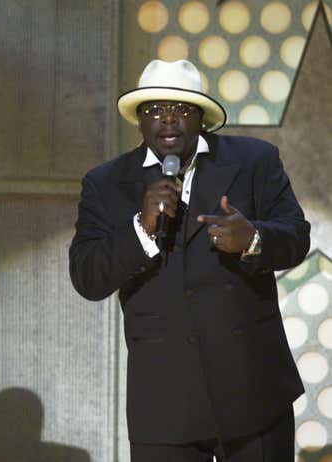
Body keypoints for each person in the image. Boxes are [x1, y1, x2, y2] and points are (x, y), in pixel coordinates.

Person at [69, 59, 310, 461]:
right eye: (154, 110)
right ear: (139, 121)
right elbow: (87, 277)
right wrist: (140, 229)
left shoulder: (254, 161)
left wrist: (253, 239)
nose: (167, 120)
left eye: (181, 109)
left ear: (201, 117)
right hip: (163, 404)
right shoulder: (106, 183)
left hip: (253, 392)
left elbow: (296, 237)